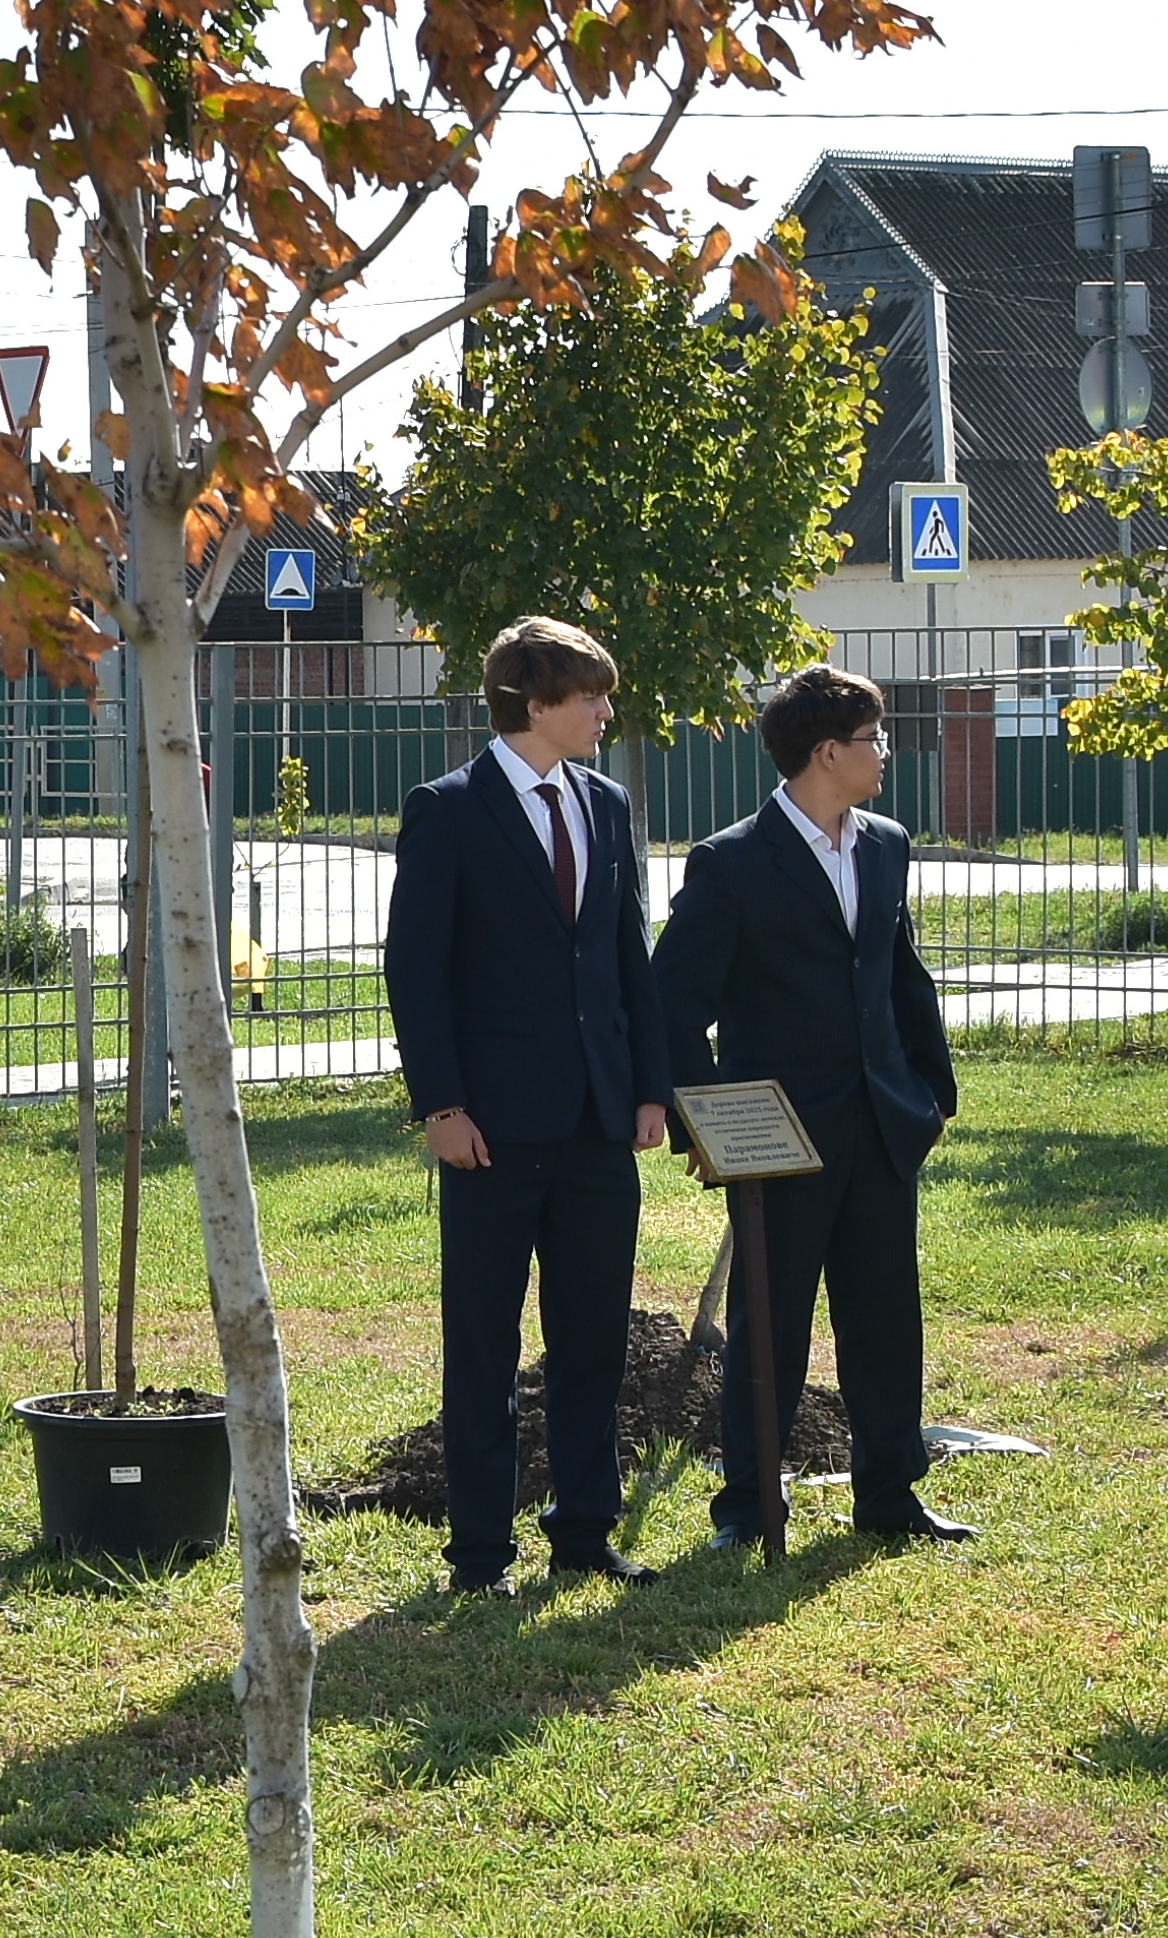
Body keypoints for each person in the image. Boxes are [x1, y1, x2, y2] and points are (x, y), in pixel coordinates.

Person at [649, 664, 971, 1548]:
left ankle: (890, 1499)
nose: (886, 753)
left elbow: (899, 973)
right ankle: (749, 1509)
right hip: (780, 1142)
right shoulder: (733, 862)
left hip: (880, 1128)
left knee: (884, 1319)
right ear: (826, 752)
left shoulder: (886, 842)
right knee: (771, 1328)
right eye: (873, 739)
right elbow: (673, 1001)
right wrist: (707, 1122)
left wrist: (931, 1091)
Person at [383, 615, 671, 1591]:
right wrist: (442, 1106)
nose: (605, 708)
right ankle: (480, 1554)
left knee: (592, 1340)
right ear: (536, 702)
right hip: (491, 1133)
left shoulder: (606, 803)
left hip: (598, 1123)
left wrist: (647, 1090)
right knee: (485, 1348)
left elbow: (626, 957)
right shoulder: (449, 809)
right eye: (590, 694)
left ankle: (585, 1533)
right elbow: (415, 972)